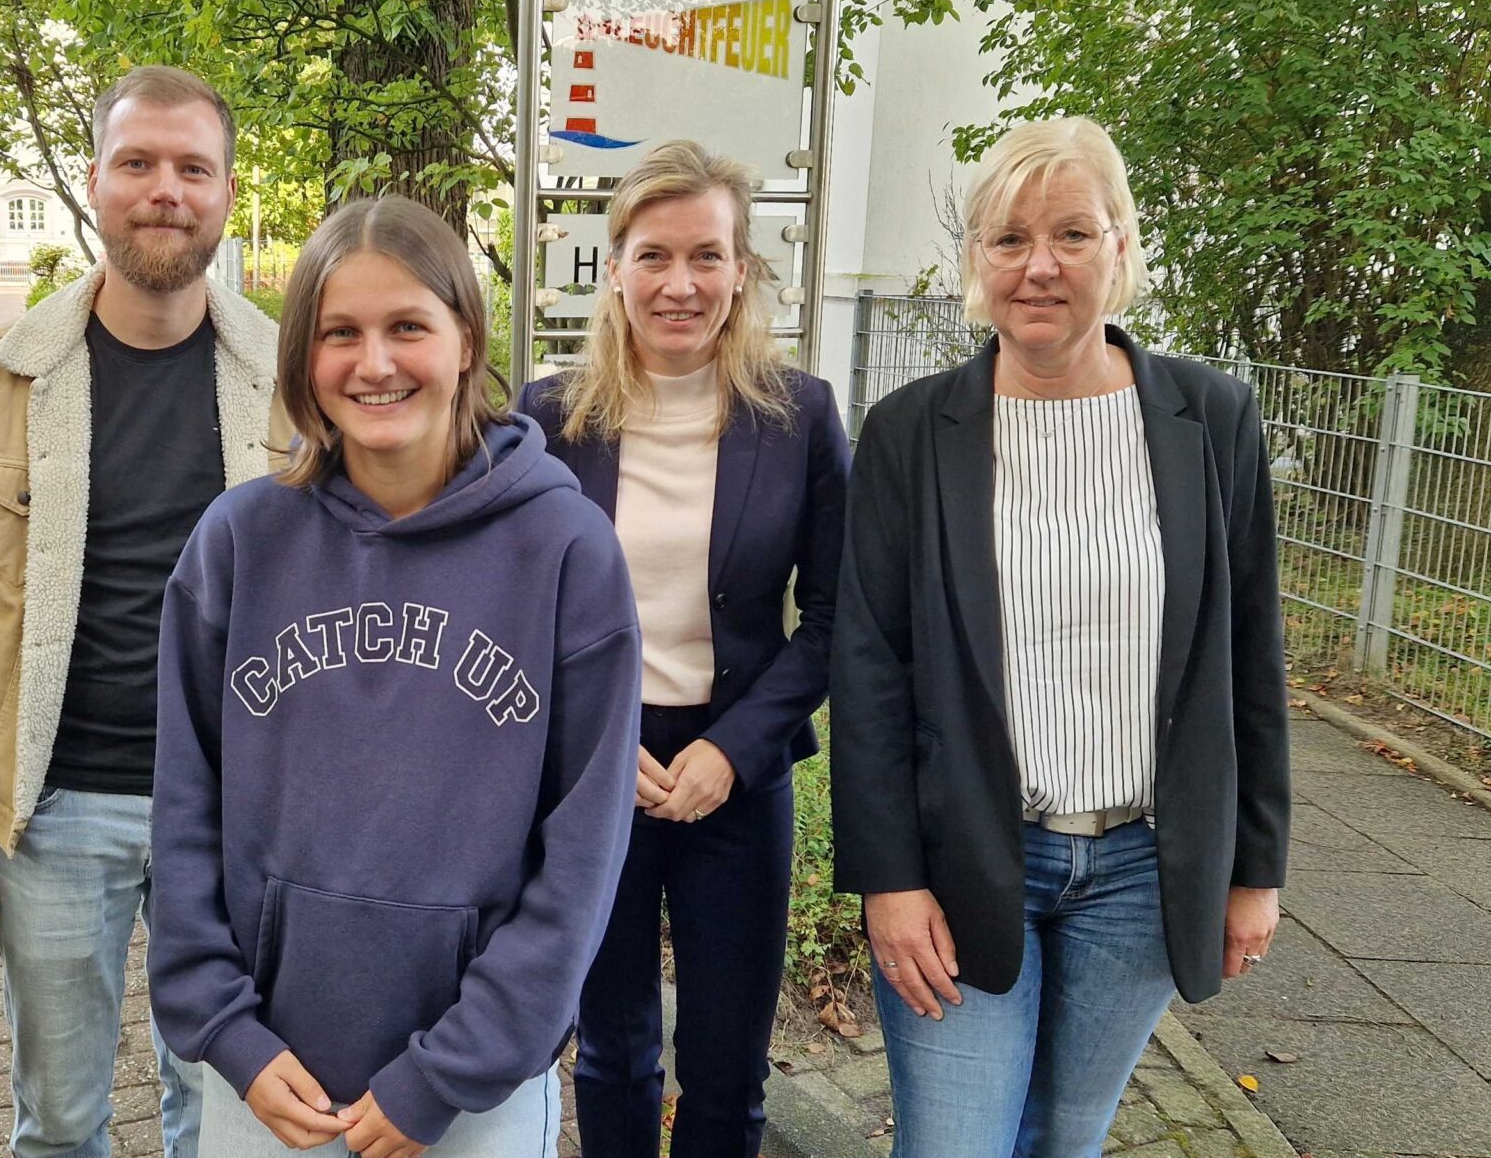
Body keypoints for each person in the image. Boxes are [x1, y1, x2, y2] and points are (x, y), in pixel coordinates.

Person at [831, 115, 1289, 1157]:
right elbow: (869, 669)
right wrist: (888, 882)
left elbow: (1250, 654)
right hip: (960, 859)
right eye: (1007, 238)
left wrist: (1253, 867)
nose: (1038, 265)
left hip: (1144, 863)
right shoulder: (911, 433)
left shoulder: (1211, 421)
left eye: (1072, 235)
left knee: (1062, 1139)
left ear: (1121, 250)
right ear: (975, 262)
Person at [148, 195, 644, 1158]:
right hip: (268, 1080)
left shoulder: (565, 548)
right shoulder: (239, 544)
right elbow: (183, 811)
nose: (374, 363)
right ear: (304, 359)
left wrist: (452, 1067)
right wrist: (226, 1029)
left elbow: (583, 852)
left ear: (465, 336)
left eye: (407, 326)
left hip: (473, 1091)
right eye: (341, 333)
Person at [0, 65, 291, 1158]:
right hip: (52, 809)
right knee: (60, 1121)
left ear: (225, 191)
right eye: (137, 163)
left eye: (191, 167)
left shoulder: (289, 378)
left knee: (216, 1104)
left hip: (231, 810)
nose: (162, 190)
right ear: (93, 181)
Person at [515, 139, 849, 1158]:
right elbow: (518, 621)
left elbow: (834, 621)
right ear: (613, 267)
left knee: (727, 1070)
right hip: (595, 772)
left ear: (741, 271)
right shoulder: (549, 418)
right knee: (611, 1051)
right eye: (654, 256)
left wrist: (732, 752)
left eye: (706, 256)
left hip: (733, 776)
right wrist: (593, 749)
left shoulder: (797, 418)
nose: (679, 283)